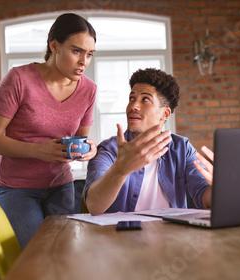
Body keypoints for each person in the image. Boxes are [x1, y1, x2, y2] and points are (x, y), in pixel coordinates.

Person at [0, 13, 97, 248]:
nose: (84, 61)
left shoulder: (88, 89)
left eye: (90, 54)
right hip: (16, 188)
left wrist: (89, 148)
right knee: (34, 255)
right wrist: (37, 150)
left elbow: (81, 138)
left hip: (60, 184)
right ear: (54, 46)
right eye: (76, 51)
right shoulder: (19, 80)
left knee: (64, 254)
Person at [84, 68, 213, 215]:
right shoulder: (109, 150)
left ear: (165, 114)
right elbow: (93, 206)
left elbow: (204, 196)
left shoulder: (182, 149)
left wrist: (221, 189)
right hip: (120, 235)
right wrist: (121, 169)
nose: (133, 106)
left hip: (172, 235)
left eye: (145, 100)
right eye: (132, 98)